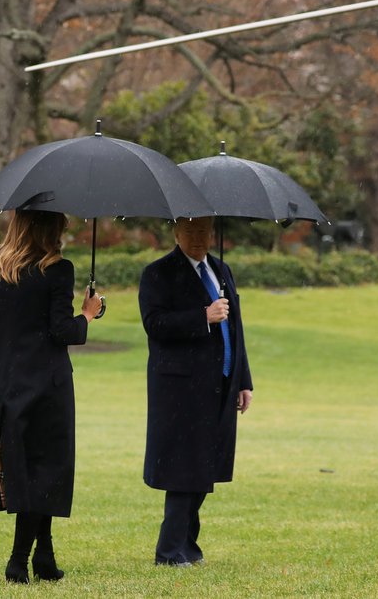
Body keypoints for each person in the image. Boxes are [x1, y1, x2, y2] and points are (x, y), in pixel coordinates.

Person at [0, 209, 102, 583]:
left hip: (7, 384)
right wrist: (87, 314)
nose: (65, 230)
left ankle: (45, 558)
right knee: (47, 469)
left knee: (26, 467)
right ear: (49, 227)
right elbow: (60, 331)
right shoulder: (57, 270)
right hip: (49, 386)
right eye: (61, 225)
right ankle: (19, 560)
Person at [138, 216, 253, 567]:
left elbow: (235, 327)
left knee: (204, 468)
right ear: (176, 232)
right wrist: (202, 315)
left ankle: (187, 547)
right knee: (182, 469)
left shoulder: (221, 270)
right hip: (179, 389)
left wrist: (243, 380)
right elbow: (154, 325)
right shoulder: (158, 273)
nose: (199, 238)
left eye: (204, 231)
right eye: (191, 232)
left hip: (218, 384)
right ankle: (169, 552)